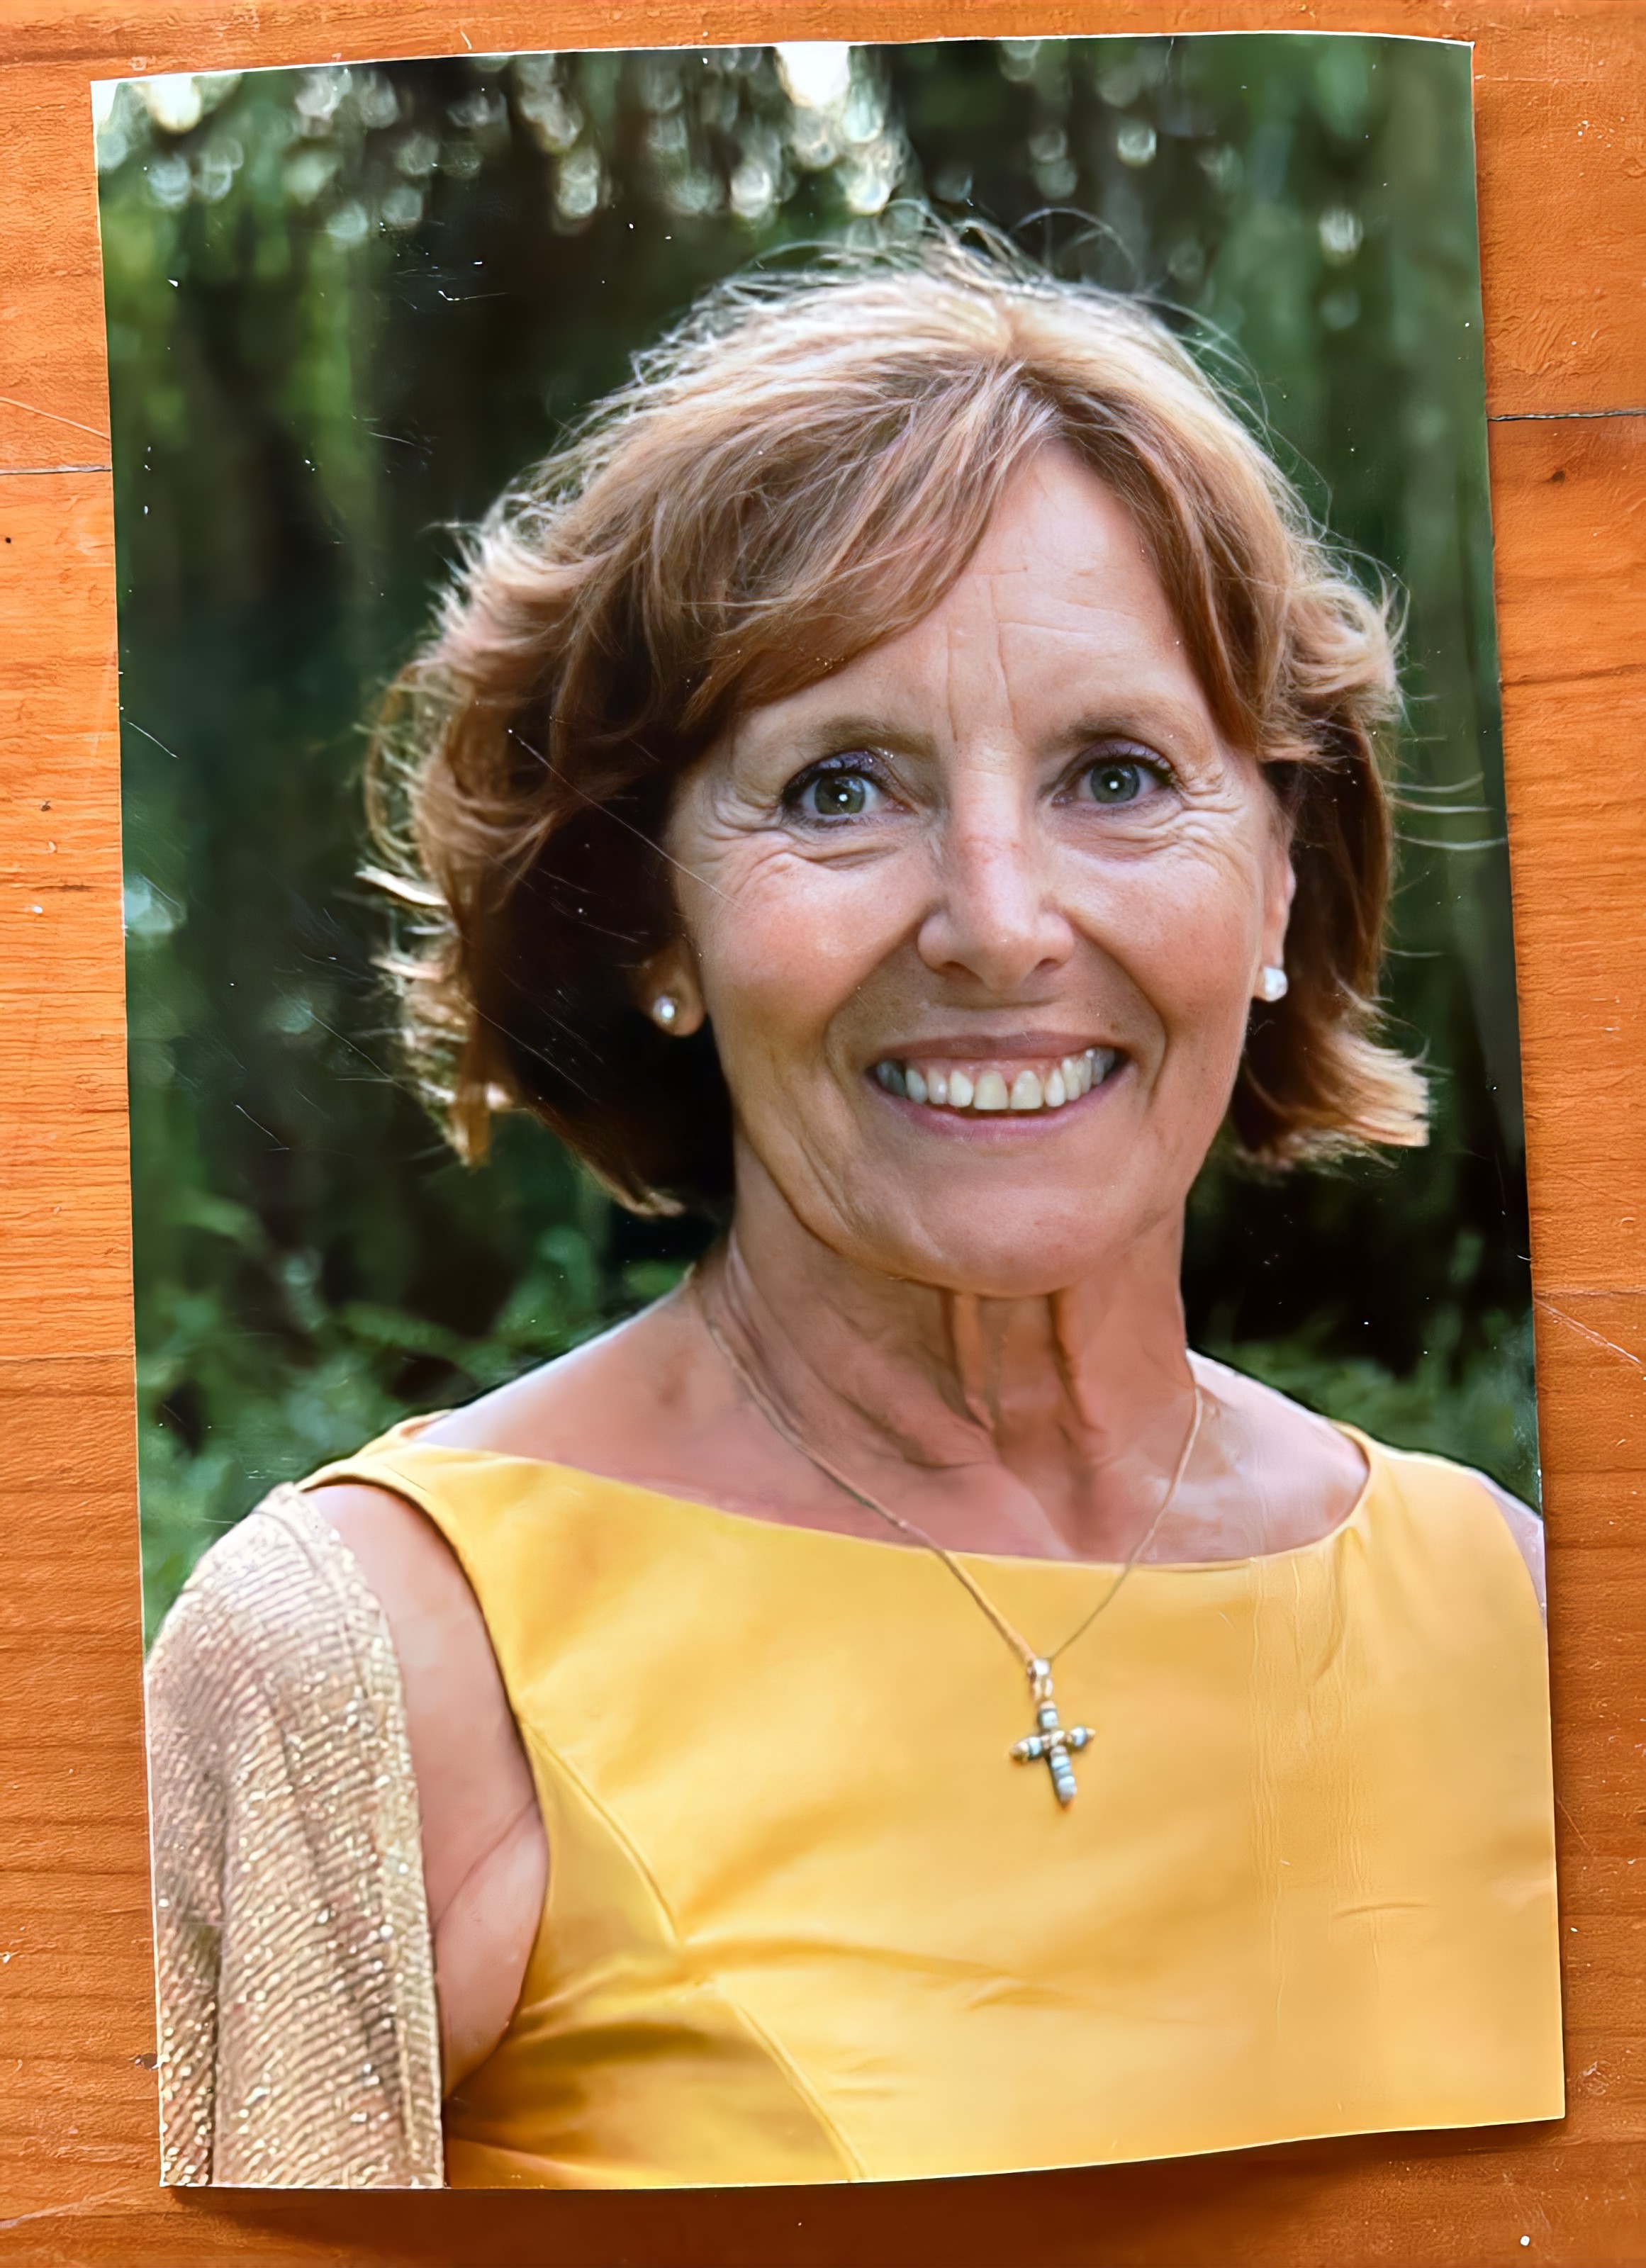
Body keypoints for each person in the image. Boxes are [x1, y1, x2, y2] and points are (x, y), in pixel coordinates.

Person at [146, 235, 1562, 2191]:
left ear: (1283, 883)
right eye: (837, 790)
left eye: (1117, 774)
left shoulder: (1516, 1614)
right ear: (652, 918)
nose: (996, 922)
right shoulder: (373, 1663)